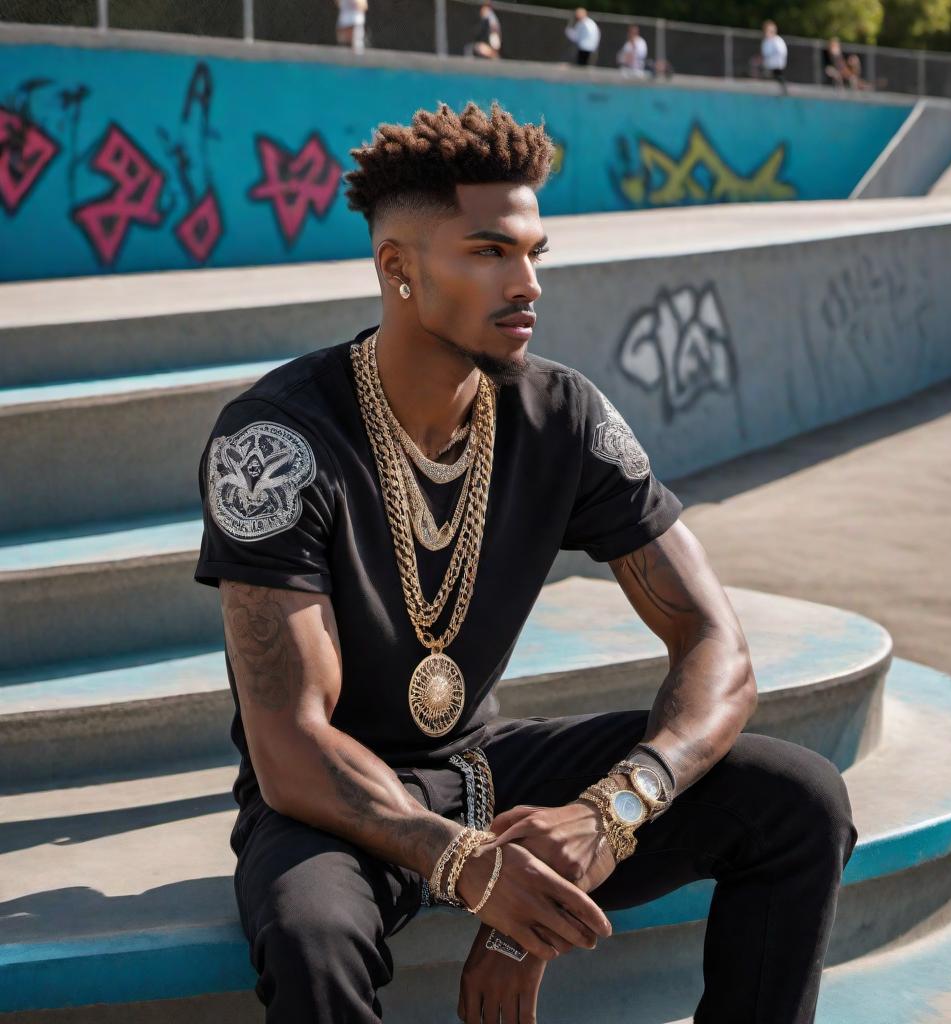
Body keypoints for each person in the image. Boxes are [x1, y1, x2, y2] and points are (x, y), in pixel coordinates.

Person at [193, 99, 858, 1024]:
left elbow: (717, 644)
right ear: (400, 270)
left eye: (533, 252)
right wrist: (473, 871)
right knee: (314, 939)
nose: (528, 282)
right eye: (488, 251)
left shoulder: (565, 418)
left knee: (798, 801)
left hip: (483, 769)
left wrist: (611, 813)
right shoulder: (272, 442)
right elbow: (290, 747)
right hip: (333, 803)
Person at [750, 19, 788, 94]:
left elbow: (781, 53)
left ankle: (784, 92)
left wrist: (774, 61)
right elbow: (764, 55)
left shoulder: (777, 41)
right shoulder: (765, 42)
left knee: (778, 78)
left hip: (776, 66)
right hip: (767, 66)